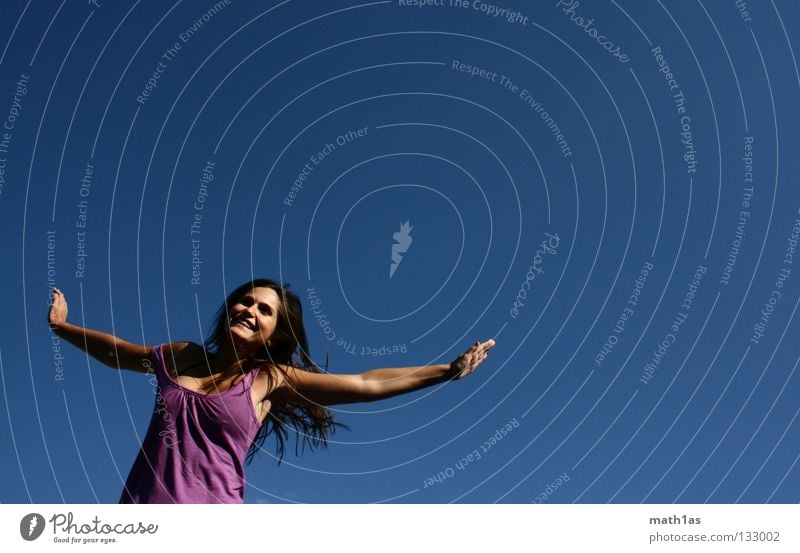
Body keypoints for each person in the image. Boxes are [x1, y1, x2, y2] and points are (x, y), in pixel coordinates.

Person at [47, 279, 496, 503]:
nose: (250, 310)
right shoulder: (180, 356)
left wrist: (444, 370)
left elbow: (363, 383)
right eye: (246, 301)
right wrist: (63, 328)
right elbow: (117, 352)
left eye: (265, 310)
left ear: (274, 334)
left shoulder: (270, 381)